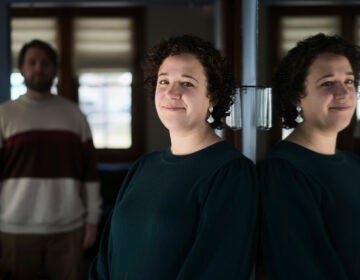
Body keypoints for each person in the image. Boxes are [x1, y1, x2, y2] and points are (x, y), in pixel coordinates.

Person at [89, 34, 258, 279]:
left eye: (187, 83)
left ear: (213, 96)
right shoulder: (143, 167)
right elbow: (106, 256)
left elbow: (218, 268)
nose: (171, 93)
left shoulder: (231, 173)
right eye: (163, 81)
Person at [260, 33, 360, 280]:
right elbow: (300, 267)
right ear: (297, 95)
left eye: (349, 81)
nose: (344, 92)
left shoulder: (353, 164)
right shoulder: (283, 171)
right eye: (328, 83)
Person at [0, 39, 102, 279]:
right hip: (15, 229)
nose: (38, 68)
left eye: (45, 63)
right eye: (32, 62)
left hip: (68, 229)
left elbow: (90, 173)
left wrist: (92, 220)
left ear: (55, 69)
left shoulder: (74, 115)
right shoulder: (4, 115)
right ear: (22, 69)